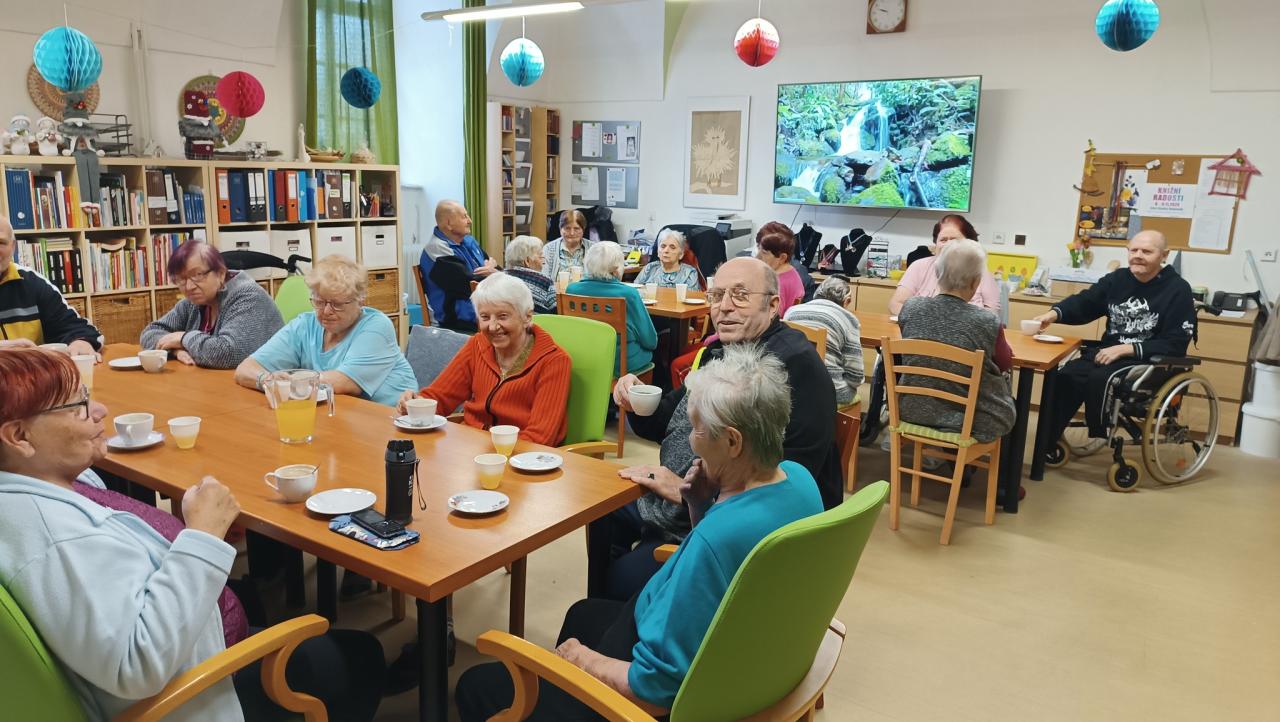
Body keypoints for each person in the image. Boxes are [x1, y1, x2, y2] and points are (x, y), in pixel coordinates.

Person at [0, 349, 385, 722]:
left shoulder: (30, 494)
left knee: (260, 605)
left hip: (185, 654)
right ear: (18, 437)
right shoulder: (56, 538)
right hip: (191, 694)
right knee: (361, 654)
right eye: (78, 407)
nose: (99, 410)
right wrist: (204, 533)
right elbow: (137, 665)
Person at [454, 345, 824, 721]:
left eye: (697, 429)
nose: (692, 442)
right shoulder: (799, 480)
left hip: (644, 697)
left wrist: (584, 660)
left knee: (475, 686)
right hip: (732, 649)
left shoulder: (716, 540)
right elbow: (729, 563)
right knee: (583, 613)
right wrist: (699, 506)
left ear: (732, 442)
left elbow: (655, 691)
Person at [604, 257, 838, 601]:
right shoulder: (721, 351)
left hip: (734, 524)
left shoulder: (792, 365)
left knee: (624, 578)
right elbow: (668, 419)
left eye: (740, 295)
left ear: (773, 305)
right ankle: (608, 616)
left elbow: (788, 479)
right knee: (605, 510)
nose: (724, 307)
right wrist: (638, 399)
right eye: (716, 295)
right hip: (687, 499)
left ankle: (624, 620)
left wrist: (692, 494)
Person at [1033, 230, 1195, 457]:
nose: (1138, 255)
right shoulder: (1117, 280)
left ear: (1164, 255)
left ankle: (1098, 430)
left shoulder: (1178, 289)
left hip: (1146, 359)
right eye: (1134, 250)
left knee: (1101, 378)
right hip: (1107, 353)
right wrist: (1053, 314)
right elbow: (1086, 302)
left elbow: (1176, 342)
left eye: (1147, 251)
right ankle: (1045, 445)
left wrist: (1127, 348)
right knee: (1065, 377)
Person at [397, 272, 571, 446]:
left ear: (527, 317)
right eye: (485, 317)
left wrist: (491, 452)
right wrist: (415, 403)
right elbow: (441, 397)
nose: (493, 327)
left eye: (503, 316)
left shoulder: (554, 361)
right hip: (471, 446)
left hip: (520, 455)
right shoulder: (477, 345)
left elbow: (539, 438)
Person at [235, 254, 416, 407]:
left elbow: (344, 382)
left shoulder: (377, 327)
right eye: (320, 302)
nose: (326, 311)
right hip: (340, 415)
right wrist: (266, 380)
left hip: (388, 420)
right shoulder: (305, 324)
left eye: (337, 304)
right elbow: (245, 369)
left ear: (360, 300)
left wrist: (288, 383)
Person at [896, 240, 1015, 443]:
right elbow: (1005, 363)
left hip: (913, 410)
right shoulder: (986, 321)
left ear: (937, 274)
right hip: (975, 420)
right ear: (975, 283)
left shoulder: (911, 308)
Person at [140, 240, 283, 368]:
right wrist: (176, 350)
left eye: (197, 275)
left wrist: (183, 338)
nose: (189, 286)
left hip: (266, 383)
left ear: (220, 273)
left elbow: (227, 354)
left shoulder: (249, 297)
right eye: (181, 279)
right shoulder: (193, 302)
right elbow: (150, 333)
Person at [0, 217, 101, 355]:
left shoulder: (33, 283)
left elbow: (77, 328)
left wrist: (81, 341)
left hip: (32, 368)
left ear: (13, 247)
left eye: (1, 242)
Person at [566, 241, 658, 377]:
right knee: (651, 353)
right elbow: (650, 341)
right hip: (620, 364)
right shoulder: (629, 294)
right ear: (616, 269)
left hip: (583, 358)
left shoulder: (572, 290)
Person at [889, 214, 1000, 315]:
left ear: (969, 243)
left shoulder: (980, 272)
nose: (948, 245)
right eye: (943, 240)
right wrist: (927, 321)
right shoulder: (918, 266)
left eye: (954, 240)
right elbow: (896, 304)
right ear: (935, 243)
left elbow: (992, 314)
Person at [783, 275, 865, 407]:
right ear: (847, 300)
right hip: (827, 391)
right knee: (850, 391)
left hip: (789, 386)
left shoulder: (791, 312)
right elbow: (856, 376)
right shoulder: (849, 320)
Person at [420, 200, 497, 330]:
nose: (470, 221)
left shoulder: (468, 241)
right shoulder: (437, 250)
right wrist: (494, 273)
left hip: (484, 310)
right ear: (449, 224)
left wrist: (493, 272)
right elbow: (468, 285)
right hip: (461, 319)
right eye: (464, 217)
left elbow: (494, 268)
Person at [755, 221, 805, 316]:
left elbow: (771, 319)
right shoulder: (792, 272)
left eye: (764, 252)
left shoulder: (776, 284)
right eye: (758, 248)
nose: (757, 256)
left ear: (782, 258)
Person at [503, 235, 557, 314]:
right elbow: (556, 313)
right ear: (527, 261)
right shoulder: (545, 283)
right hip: (534, 322)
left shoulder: (500, 279)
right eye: (541, 257)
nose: (544, 262)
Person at [635, 229, 701, 289]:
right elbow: (635, 291)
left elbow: (692, 296)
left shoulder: (689, 273)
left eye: (672, 247)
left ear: (681, 254)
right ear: (658, 252)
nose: (666, 250)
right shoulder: (649, 268)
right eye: (663, 246)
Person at [542, 209, 593, 281]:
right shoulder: (548, 249)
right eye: (567, 228)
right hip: (556, 288)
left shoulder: (593, 248)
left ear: (583, 230)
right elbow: (544, 279)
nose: (572, 233)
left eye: (576, 229)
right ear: (560, 229)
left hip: (585, 288)